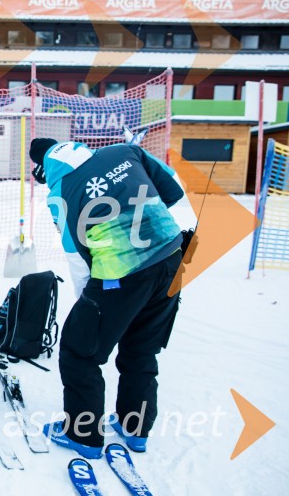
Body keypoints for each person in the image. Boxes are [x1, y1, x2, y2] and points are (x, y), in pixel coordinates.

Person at [29, 137, 185, 459]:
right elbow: (172, 191)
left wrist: (87, 305)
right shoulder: (126, 151)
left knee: (79, 351)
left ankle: (83, 435)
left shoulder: (61, 193)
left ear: (46, 169)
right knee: (142, 348)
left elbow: (76, 255)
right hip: (171, 257)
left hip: (121, 272)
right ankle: (134, 428)